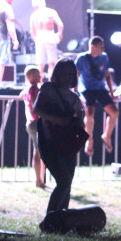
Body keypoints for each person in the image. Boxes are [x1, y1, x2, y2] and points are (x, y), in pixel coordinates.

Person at [34, 59, 85, 214]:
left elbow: (80, 122)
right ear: (57, 73)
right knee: (63, 182)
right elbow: (37, 109)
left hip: (68, 144)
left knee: (67, 184)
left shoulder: (74, 97)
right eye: (64, 73)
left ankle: (62, 219)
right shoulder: (48, 89)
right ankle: (50, 219)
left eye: (70, 74)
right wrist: (58, 119)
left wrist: (76, 125)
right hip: (50, 142)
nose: (67, 77)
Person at [75, 36, 118, 155]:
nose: (103, 49)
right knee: (89, 114)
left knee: (114, 112)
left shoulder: (104, 57)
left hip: (100, 88)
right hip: (87, 89)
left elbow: (107, 75)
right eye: (101, 47)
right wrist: (75, 93)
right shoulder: (82, 58)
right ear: (93, 47)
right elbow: (76, 75)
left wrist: (111, 92)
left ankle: (107, 135)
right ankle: (89, 140)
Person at [20, 65, 47, 189]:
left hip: (30, 122)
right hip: (37, 122)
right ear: (30, 76)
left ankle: (40, 179)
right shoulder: (35, 89)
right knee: (39, 151)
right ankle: (39, 179)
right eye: (36, 75)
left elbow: (22, 96)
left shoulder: (26, 89)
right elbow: (36, 106)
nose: (39, 77)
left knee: (38, 150)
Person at [29, 0, 64, 81]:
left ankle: (39, 83)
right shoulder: (51, 12)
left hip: (40, 37)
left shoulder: (34, 15)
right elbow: (60, 25)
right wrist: (59, 34)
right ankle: (51, 82)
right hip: (49, 35)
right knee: (51, 62)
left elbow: (32, 31)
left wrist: (36, 40)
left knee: (41, 63)